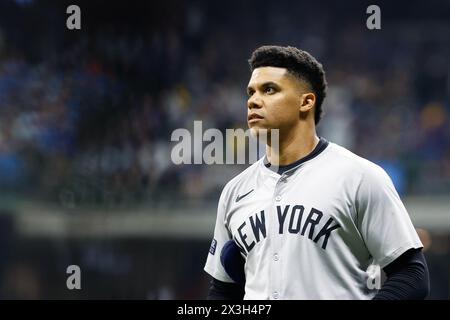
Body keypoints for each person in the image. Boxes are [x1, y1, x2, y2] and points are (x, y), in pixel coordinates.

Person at [203, 45, 429, 300]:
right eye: (251, 92)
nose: (253, 100)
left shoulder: (360, 177)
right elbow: (223, 290)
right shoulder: (234, 191)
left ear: (306, 101)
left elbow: (412, 275)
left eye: (269, 90)